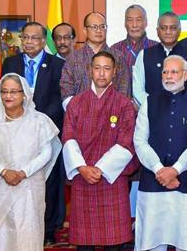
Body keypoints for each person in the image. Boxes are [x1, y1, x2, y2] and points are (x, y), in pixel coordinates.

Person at [0, 73, 62, 251]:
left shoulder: (39, 121)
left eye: (14, 91)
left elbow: (47, 152)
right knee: (0, 232)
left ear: (24, 94)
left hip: (29, 184)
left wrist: (23, 173)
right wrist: (3, 172)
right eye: (4, 91)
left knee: (27, 229)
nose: (8, 96)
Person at [62, 51, 138, 250]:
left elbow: (127, 142)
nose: (102, 74)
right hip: (82, 177)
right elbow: (68, 138)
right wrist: (82, 168)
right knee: (84, 242)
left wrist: (101, 168)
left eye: (107, 69)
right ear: (89, 71)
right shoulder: (76, 103)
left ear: (115, 72)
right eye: (97, 68)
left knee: (114, 240)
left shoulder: (124, 104)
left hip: (112, 178)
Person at [133, 55, 187, 251]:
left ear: (186, 75)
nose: (168, 76)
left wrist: (175, 170)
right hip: (153, 182)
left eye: (174, 72)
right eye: (165, 72)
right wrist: (161, 170)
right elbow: (139, 141)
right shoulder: (149, 103)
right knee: (151, 239)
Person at [1, 21, 66, 245]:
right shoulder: (10, 62)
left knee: (47, 181)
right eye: (25, 37)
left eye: (34, 38)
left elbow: (59, 100)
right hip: (15, 133)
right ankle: (17, 225)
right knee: (18, 179)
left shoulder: (58, 65)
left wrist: (38, 123)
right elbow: (5, 97)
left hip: (45, 131)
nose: (29, 42)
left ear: (43, 41)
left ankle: (47, 229)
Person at [60, 12, 131, 110]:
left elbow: (124, 88)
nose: (99, 30)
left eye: (102, 26)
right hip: (80, 115)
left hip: (112, 115)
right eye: (94, 27)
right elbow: (66, 90)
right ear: (85, 30)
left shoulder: (118, 56)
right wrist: (79, 111)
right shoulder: (73, 58)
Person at [132, 11, 187, 107]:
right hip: (151, 113)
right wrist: (153, 106)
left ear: (179, 30)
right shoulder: (144, 55)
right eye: (163, 28)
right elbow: (138, 89)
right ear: (157, 31)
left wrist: (179, 106)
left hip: (184, 112)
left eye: (173, 28)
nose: (168, 32)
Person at [110, 5, 159, 85]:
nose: (134, 25)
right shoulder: (115, 49)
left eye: (138, 20)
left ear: (146, 22)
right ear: (125, 24)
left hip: (150, 97)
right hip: (121, 96)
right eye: (130, 20)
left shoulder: (157, 48)